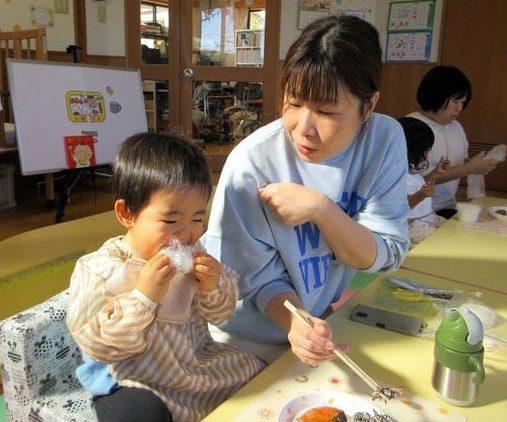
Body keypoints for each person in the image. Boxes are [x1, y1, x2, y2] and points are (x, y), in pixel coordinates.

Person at [204, 15, 410, 367]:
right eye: (294, 103)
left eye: (327, 111)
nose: (303, 129)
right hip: (244, 340)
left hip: (320, 324)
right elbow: (251, 282)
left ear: (369, 106)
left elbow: (386, 252)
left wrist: (321, 210)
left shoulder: (384, 139)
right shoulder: (252, 163)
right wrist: (298, 322)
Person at [66, 132, 265, 422]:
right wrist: (143, 298)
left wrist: (213, 286)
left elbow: (221, 314)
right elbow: (97, 344)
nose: (186, 233)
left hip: (193, 363)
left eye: (197, 218)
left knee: (257, 373)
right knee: (136, 414)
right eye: (171, 220)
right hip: (131, 378)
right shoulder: (99, 269)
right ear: (126, 214)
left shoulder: (193, 252)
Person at [407, 65, 499, 218]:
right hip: (418, 210)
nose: (460, 108)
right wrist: (469, 168)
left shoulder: (456, 127)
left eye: (463, 103)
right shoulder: (412, 127)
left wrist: (479, 164)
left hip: (448, 205)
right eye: (455, 102)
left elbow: (460, 161)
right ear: (437, 95)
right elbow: (419, 178)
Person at [398, 116, 448, 244]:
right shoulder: (395, 173)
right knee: (445, 238)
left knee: (451, 227)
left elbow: (418, 186)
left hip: (424, 218)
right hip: (410, 224)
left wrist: (435, 173)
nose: (427, 155)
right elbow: (400, 205)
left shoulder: (409, 170)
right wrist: (421, 195)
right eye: (425, 150)